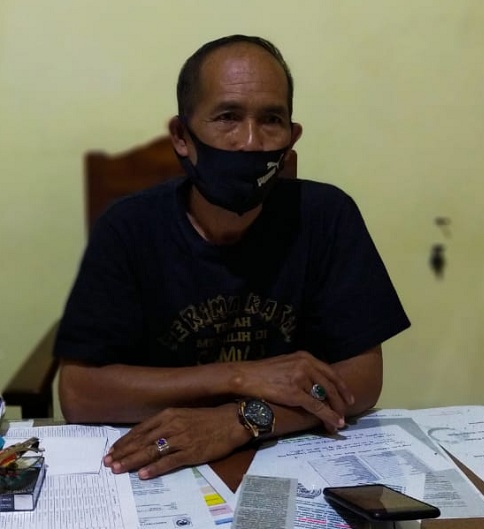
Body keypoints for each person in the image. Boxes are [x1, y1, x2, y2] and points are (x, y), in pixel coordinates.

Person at [54, 35, 410, 480]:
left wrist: (241, 420)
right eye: (227, 117)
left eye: (271, 120)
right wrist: (239, 377)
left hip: (290, 459)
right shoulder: (128, 227)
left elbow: (362, 379)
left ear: (292, 138)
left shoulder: (326, 216)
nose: (250, 142)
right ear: (182, 137)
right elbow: (80, 394)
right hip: (160, 462)